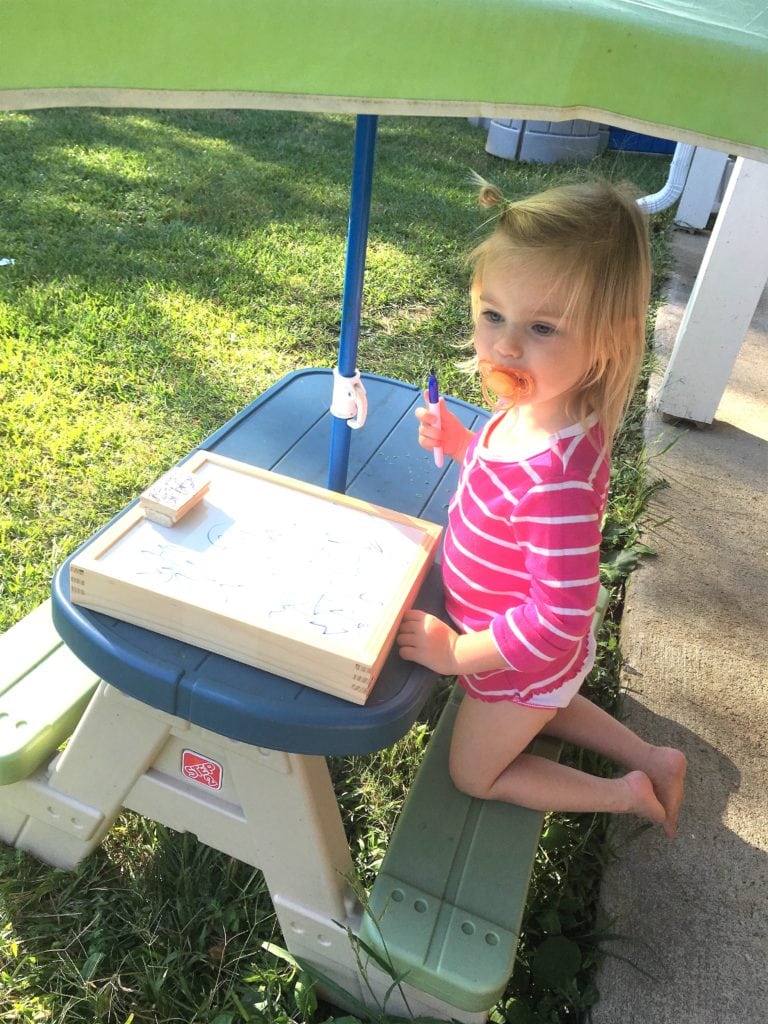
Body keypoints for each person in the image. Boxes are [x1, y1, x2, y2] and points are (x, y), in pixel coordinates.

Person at [396, 179, 686, 837]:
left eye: (542, 327)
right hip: (532, 661)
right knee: (550, 701)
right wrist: (463, 443)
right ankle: (655, 758)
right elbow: (505, 489)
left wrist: (458, 655)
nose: (504, 346)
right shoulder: (539, 410)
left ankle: (628, 792)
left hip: (514, 656)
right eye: (492, 314)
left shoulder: (555, 476)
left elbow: (558, 619)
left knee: (474, 772)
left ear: (609, 341)